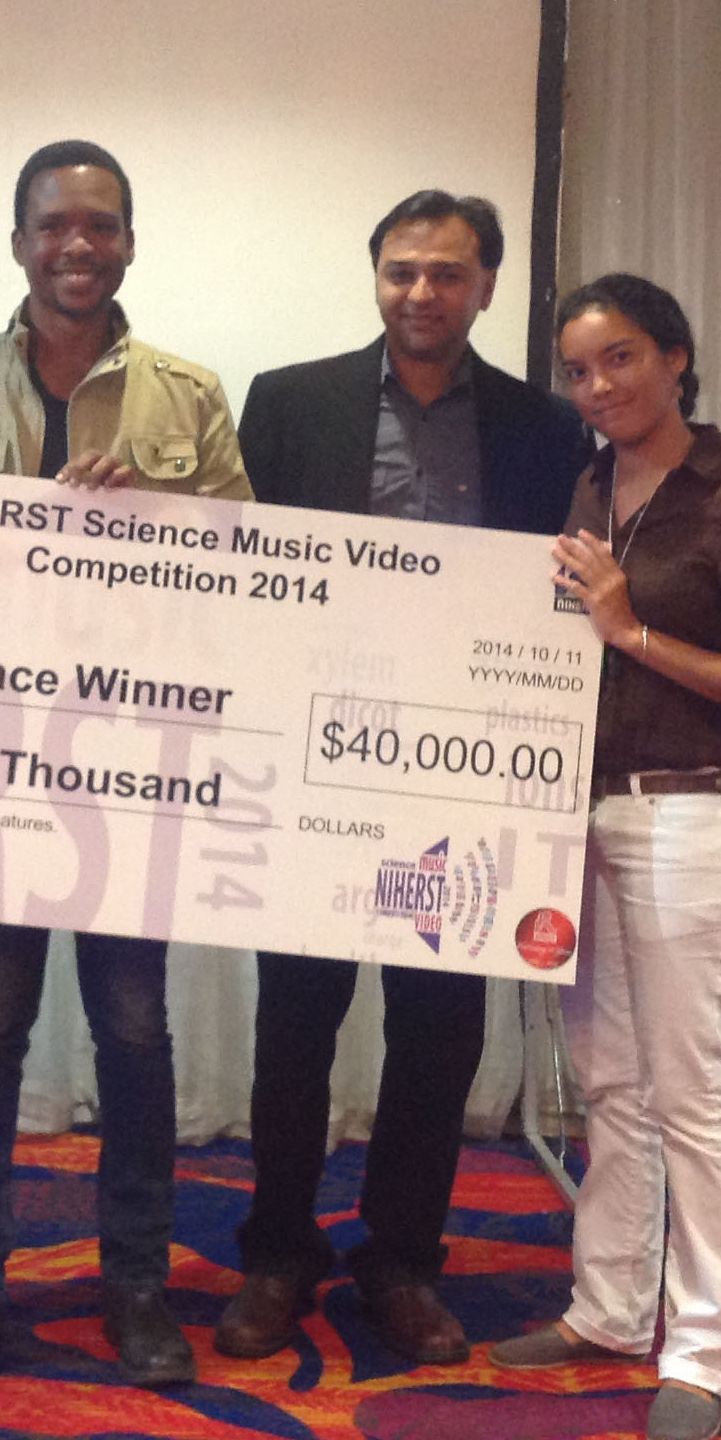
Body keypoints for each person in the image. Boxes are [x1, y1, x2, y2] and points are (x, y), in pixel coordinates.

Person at [0, 139, 252, 1397]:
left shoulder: (189, 395)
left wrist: (151, 532)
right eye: (54, 225)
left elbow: (243, 584)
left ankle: (137, 1287)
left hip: (130, 762)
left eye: (101, 224)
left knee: (134, 1030)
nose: (77, 245)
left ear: (131, 243)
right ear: (18, 242)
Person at [217, 191, 591, 1366]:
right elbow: (235, 566)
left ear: (485, 285)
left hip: (464, 772)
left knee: (437, 1027)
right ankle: (277, 1249)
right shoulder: (290, 401)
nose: (419, 294)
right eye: (399, 272)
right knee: (297, 1019)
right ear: (372, 276)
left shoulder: (543, 429)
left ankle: (402, 1257)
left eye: (444, 274)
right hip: (313, 759)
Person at [489, 273, 721, 1440]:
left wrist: (632, 628)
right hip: (587, 814)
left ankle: (700, 1348)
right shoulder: (591, 482)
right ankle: (610, 1308)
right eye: (578, 370)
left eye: (620, 359)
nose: (598, 387)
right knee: (612, 1082)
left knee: (689, 1091)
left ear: (676, 357)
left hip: (692, 814)